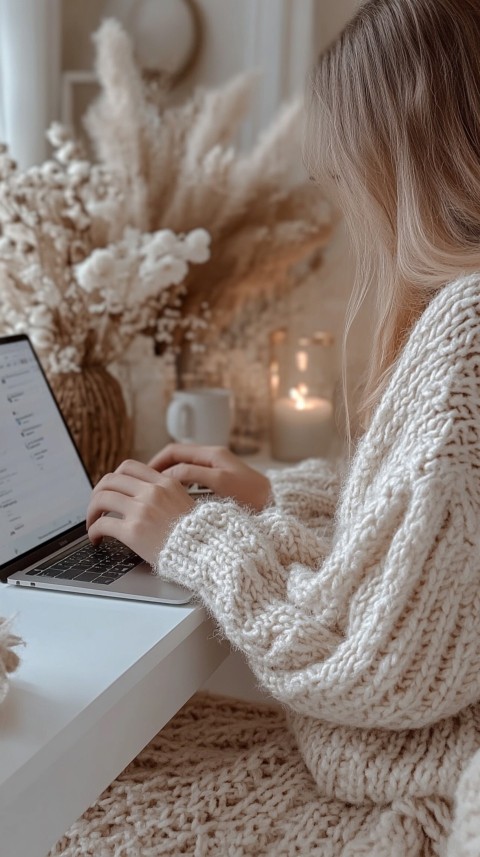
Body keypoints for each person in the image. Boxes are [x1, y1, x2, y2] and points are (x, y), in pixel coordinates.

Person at [82, 0, 480, 853]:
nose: (343, 203)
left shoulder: (467, 332)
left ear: (398, 158)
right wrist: (269, 495)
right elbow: (435, 546)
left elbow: (373, 662)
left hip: (399, 768)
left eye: (343, 176)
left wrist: (197, 538)